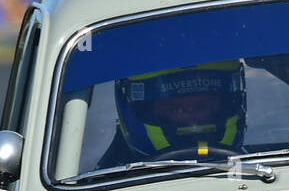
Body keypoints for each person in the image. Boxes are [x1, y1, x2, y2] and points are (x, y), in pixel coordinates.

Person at [96, 61, 246, 169]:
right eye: (174, 109)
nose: (191, 119)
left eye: (202, 106)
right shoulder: (100, 187)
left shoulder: (264, 168)